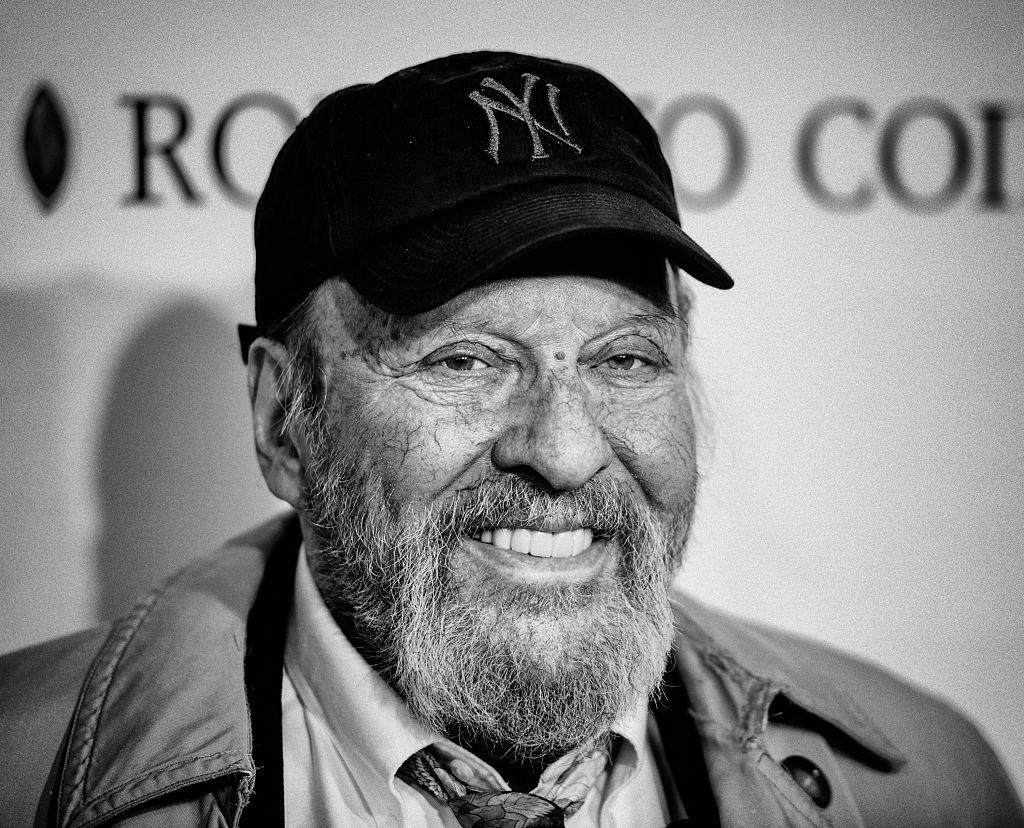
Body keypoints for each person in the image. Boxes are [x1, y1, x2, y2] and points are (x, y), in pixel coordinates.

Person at [0, 51, 1020, 828]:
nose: (566, 452)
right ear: (282, 417)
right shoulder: (23, 775)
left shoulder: (924, 784)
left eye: (625, 360)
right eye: (463, 362)